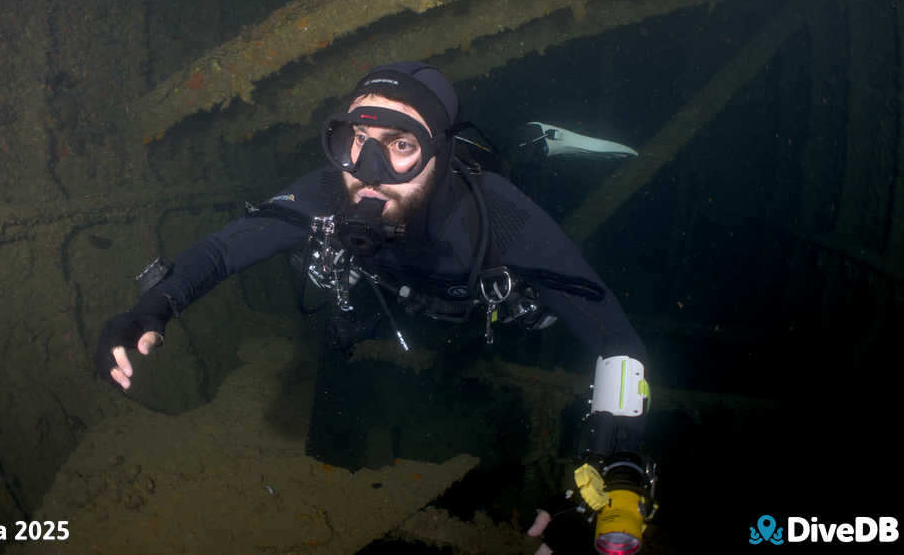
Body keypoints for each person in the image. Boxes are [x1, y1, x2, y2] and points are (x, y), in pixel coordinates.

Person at [95, 62, 657, 554]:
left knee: (515, 161)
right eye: (356, 141)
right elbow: (224, 247)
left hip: (474, 300)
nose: (369, 171)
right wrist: (154, 306)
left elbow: (616, 341)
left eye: (402, 145)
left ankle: (536, 141)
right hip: (396, 298)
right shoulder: (325, 191)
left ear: (437, 151)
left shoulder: (500, 217)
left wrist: (621, 478)